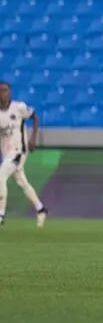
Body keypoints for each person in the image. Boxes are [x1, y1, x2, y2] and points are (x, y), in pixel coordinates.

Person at [0, 82, 47, 228]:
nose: (3, 94)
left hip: (19, 150)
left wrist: (33, 138)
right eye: (1, 91)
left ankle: (0, 214)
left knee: (1, 176)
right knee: (21, 182)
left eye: (5, 90)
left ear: (10, 92)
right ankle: (41, 209)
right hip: (7, 152)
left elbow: (35, 117)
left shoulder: (19, 107)